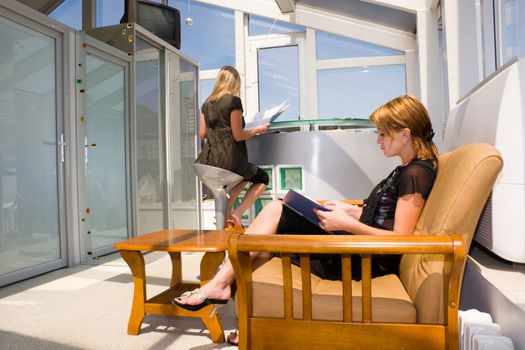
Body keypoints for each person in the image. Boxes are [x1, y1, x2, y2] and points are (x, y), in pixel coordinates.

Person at [175, 94, 439, 345]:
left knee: (276, 214)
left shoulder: (416, 174)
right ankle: (245, 318)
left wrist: (347, 224)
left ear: (405, 134)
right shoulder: (405, 170)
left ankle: (220, 286)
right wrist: (350, 212)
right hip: (359, 247)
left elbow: (401, 240)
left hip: (363, 261)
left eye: (383, 133)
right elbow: (384, 218)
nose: (379, 140)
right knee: (270, 235)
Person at [195, 65, 270, 229]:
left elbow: (202, 134)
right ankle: (237, 213)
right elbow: (238, 135)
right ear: (234, 82)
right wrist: (258, 129)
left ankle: (227, 210)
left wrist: (220, 130)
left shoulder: (207, 104)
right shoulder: (233, 101)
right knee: (262, 178)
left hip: (208, 161)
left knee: (244, 174)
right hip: (230, 161)